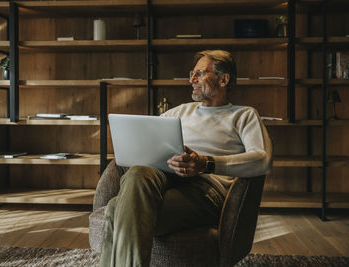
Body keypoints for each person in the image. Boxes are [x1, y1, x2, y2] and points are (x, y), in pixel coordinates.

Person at [99, 50, 273, 267]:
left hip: (205, 189)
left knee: (117, 208)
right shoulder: (178, 112)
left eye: (199, 73)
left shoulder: (244, 115)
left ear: (223, 79)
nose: (191, 80)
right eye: (192, 73)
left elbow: (263, 160)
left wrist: (205, 163)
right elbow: (146, 142)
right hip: (163, 180)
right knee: (137, 173)